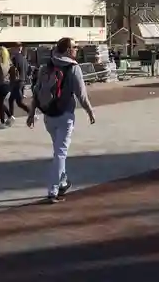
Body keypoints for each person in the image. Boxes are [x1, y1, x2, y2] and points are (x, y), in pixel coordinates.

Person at [27, 37, 96, 203]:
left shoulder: (47, 66)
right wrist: (90, 111)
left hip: (48, 115)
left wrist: (32, 113)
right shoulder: (73, 68)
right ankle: (53, 190)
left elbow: (36, 91)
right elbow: (81, 95)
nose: (77, 49)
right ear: (67, 50)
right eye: (74, 47)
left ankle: (63, 182)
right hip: (65, 114)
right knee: (60, 153)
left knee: (58, 151)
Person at [8, 44, 31, 118]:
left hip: (16, 82)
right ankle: (11, 116)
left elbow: (12, 70)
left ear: (16, 48)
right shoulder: (24, 59)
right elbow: (28, 71)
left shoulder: (14, 58)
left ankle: (31, 113)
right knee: (11, 99)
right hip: (22, 81)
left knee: (19, 102)